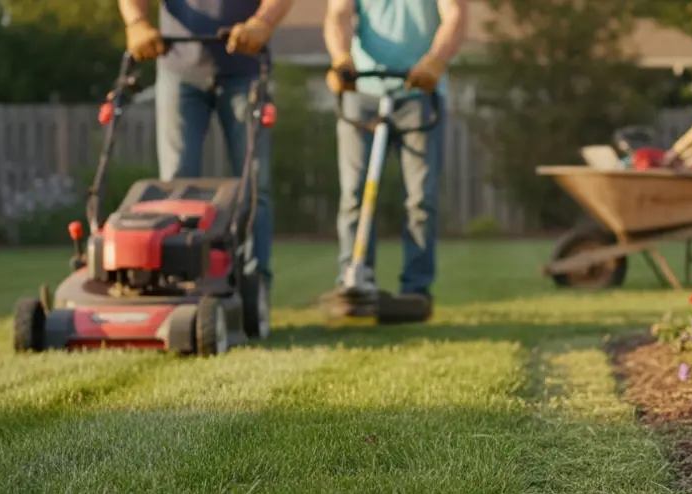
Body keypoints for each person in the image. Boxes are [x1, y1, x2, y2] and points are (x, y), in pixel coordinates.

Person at [116, 0, 294, 285]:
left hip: (245, 69)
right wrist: (136, 22)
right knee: (176, 185)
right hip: (178, 69)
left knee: (253, 185)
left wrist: (263, 21)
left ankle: (254, 286)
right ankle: (177, 278)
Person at [323, 0, 468, 317]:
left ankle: (415, 289)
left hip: (420, 91)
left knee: (421, 198)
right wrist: (341, 58)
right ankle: (355, 278)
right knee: (354, 193)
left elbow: (455, 16)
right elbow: (339, 14)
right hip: (361, 91)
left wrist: (436, 59)